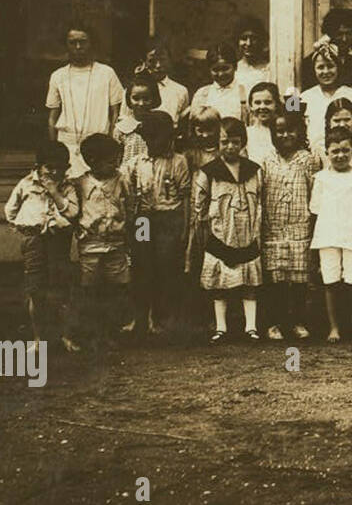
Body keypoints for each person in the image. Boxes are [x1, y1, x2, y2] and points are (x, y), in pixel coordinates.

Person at [189, 118, 265, 343]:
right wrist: (204, 228)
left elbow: (260, 200)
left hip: (247, 233)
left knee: (249, 284)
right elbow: (199, 203)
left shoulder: (254, 170)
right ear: (218, 143)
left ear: (242, 143)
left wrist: (257, 229)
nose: (230, 147)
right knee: (219, 285)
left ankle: (250, 327)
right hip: (220, 233)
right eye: (224, 142)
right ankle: (220, 327)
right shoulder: (209, 172)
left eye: (235, 142)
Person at [5, 140, 79, 353]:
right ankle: (38, 339)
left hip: (58, 240)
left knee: (62, 288)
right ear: (38, 167)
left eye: (60, 167)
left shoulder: (68, 187)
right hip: (34, 241)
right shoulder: (26, 184)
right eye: (49, 167)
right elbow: (11, 209)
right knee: (36, 290)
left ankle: (66, 336)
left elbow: (73, 213)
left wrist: (55, 193)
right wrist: (23, 228)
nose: (55, 172)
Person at [121, 110, 190, 337]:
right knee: (142, 266)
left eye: (162, 138)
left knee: (166, 267)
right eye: (150, 138)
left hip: (168, 219)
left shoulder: (178, 162)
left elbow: (185, 196)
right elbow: (128, 194)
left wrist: (184, 227)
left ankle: (163, 319)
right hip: (143, 220)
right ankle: (140, 317)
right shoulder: (136, 163)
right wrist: (130, 224)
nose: (156, 143)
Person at [311, 126, 352, 343]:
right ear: (326, 153)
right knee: (330, 282)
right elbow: (316, 210)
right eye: (335, 152)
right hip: (328, 236)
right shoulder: (320, 178)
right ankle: (334, 328)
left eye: (345, 151)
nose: (340, 156)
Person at [261, 111, 318, 342]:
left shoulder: (307, 159)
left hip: (299, 226)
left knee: (298, 280)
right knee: (276, 279)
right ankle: (275, 322)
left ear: (300, 131)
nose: (285, 135)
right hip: (273, 227)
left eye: (290, 130)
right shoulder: (266, 159)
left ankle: (298, 322)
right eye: (280, 131)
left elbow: (314, 192)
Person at [74, 133, 130, 347]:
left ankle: (112, 332)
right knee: (91, 290)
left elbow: (130, 207)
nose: (115, 165)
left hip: (116, 243)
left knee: (116, 289)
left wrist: (133, 237)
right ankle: (93, 333)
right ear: (93, 162)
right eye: (110, 161)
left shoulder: (122, 180)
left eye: (117, 160)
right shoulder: (80, 184)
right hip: (90, 245)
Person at [46, 23, 125, 177]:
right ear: (66, 45)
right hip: (67, 145)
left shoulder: (106, 73)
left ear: (91, 43)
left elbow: (116, 113)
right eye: (72, 42)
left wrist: (108, 144)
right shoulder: (58, 76)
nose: (78, 46)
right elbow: (52, 118)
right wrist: (55, 150)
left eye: (83, 42)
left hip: (98, 145)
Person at [299, 39, 352, 153]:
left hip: (343, 152)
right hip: (315, 152)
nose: (326, 71)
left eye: (330, 66)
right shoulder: (304, 96)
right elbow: (293, 123)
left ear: (338, 68)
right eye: (321, 67)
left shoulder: (349, 92)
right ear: (314, 70)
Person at [301, 7, 352, 92]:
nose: (344, 39)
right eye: (339, 34)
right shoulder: (311, 64)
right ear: (329, 34)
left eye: (349, 34)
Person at [189, 42, 246, 123]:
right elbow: (194, 124)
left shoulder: (244, 92)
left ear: (235, 66)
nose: (221, 74)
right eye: (215, 70)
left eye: (225, 68)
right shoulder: (202, 94)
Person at [115, 74, 161, 170]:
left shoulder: (160, 125)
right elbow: (116, 159)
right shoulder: (121, 128)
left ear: (154, 99)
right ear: (128, 99)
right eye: (136, 98)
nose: (141, 103)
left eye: (146, 99)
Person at [139, 37, 190, 120]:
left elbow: (183, 122)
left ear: (169, 60)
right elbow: (124, 119)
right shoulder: (133, 91)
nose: (158, 65)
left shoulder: (180, 91)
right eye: (152, 61)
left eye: (162, 60)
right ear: (144, 62)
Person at [233, 16, 274, 105]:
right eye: (244, 38)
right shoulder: (233, 69)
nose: (249, 43)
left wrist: (292, 114)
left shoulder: (271, 68)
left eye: (254, 38)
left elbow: (291, 92)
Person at [245, 82, 281, 166]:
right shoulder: (247, 133)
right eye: (257, 103)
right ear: (251, 106)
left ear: (276, 105)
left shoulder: (282, 133)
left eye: (268, 102)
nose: (262, 107)